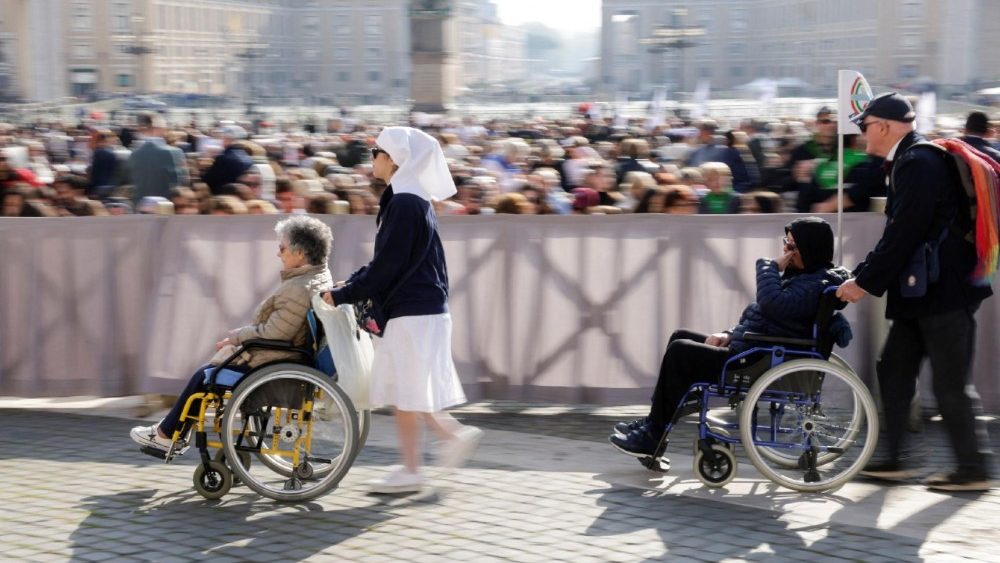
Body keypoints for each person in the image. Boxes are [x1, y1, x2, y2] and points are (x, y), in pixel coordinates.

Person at [836, 92, 994, 492]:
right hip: (922, 290)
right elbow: (905, 233)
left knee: (950, 382)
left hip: (943, 291)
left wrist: (863, 282)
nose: (862, 136)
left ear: (885, 126)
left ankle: (972, 469)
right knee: (894, 368)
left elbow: (904, 233)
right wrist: (867, 277)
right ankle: (894, 459)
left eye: (866, 126)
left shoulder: (917, 163)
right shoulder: (911, 161)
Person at [322, 126, 482, 494]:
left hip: (414, 310)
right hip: (421, 307)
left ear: (392, 159)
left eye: (375, 151)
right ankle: (449, 436)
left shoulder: (406, 202)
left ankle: (413, 469)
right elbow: (390, 262)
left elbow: (389, 265)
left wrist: (346, 292)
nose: (372, 158)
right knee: (409, 387)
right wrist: (351, 285)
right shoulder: (412, 198)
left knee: (405, 391)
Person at [611, 217, 851, 460]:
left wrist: (768, 266)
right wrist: (729, 333)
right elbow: (766, 319)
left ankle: (653, 433)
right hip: (758, 348)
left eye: (791, 246)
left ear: (809, 249)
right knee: (680, 337)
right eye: (785, 243)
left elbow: (771, 305)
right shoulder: (805, 278)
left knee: (680, 351)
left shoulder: (813, 285)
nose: (785, 251)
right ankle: (655, 421)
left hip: (760, 359)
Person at [130, 215, 334, 453]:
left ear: (300, 254)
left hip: (273, 360)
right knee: (206, 372)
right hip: (286, 357)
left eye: (282, 248)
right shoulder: (319, 277)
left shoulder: (298, 289)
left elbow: (275, 333)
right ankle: (174, 433)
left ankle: (167, 435)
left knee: (204, 376)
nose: (278, 254)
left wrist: (239, 336)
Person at [125, 112, 189, 206]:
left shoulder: (132, 153)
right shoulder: (174, 152)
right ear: (159, 129)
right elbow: (181, 182)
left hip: (140, 205)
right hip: (166, 206)